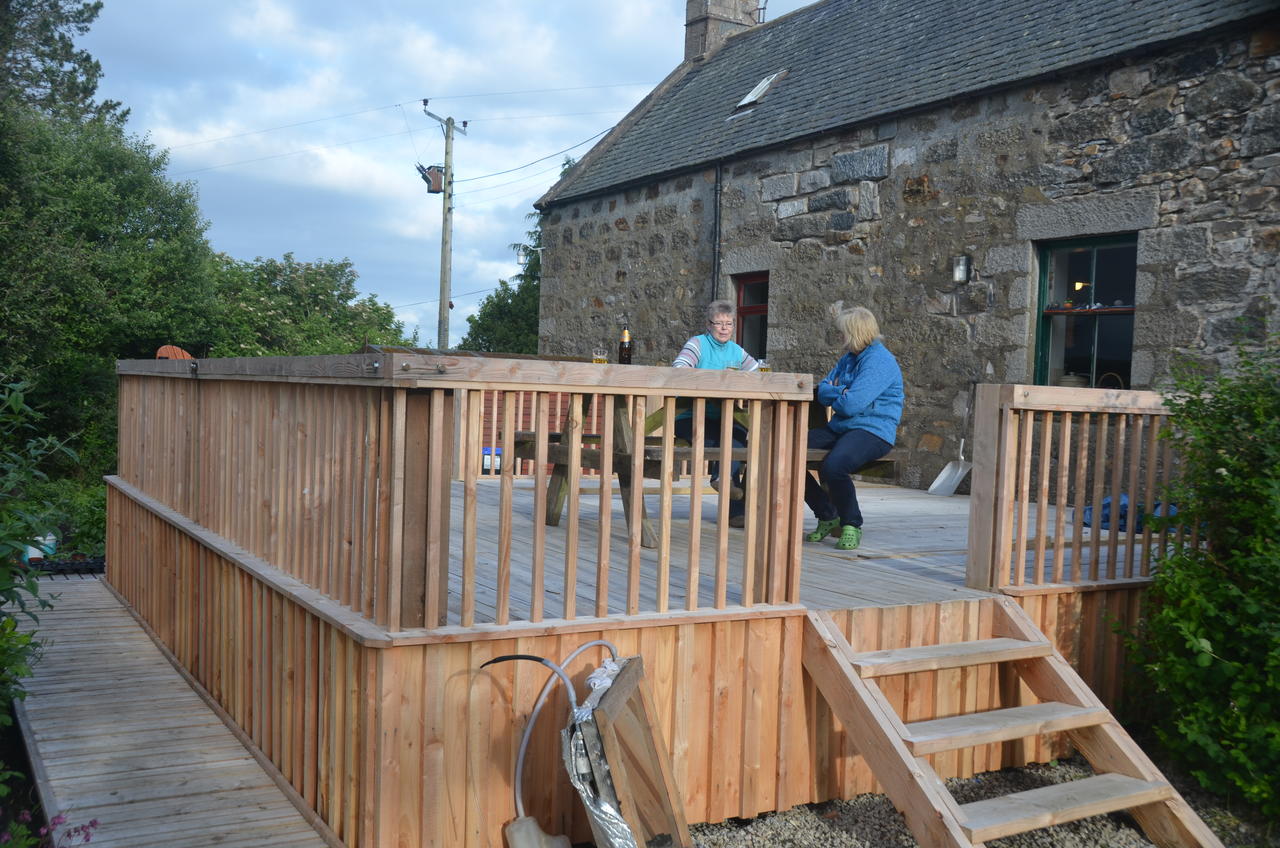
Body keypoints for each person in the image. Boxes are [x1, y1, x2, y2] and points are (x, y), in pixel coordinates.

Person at [804, 305, 903, 550]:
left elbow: (851, 405)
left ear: (855, 332)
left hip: (873, 430)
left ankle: (851, 523)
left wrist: (838, 393)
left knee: (834, 466)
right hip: (841, 427)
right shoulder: (848, 358)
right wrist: (843, 391)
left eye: (842, 332)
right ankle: (827, 514)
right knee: (785, 452)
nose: (839, 336)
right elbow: (823, 391)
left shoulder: (879, 361)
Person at [672, 300, 758, 526]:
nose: (724, 328)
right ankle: (733, 507)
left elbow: (758, 373)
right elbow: (679, 368)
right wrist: (712, 380)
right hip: (690, 415)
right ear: (708, 325)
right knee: (727, 440)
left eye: (729, 323)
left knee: (738, 434)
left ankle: (723, 481)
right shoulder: (697, 344)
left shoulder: (736, 350)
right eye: (719, 323)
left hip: (723, 415)